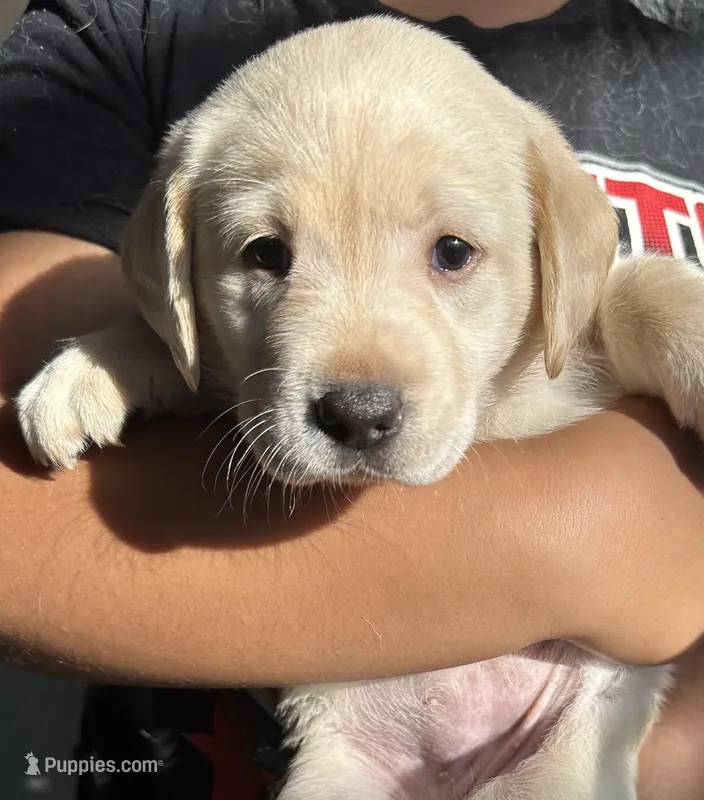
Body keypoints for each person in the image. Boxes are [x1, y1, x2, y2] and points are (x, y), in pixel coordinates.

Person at [0, 0, 702, 797]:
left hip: (580, 725)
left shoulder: (686, 78)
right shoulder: (131, 30)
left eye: (451, 253)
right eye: (267, 254)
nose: (358, 390)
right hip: (343, 747)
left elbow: (612, 300)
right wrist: (140, 353)